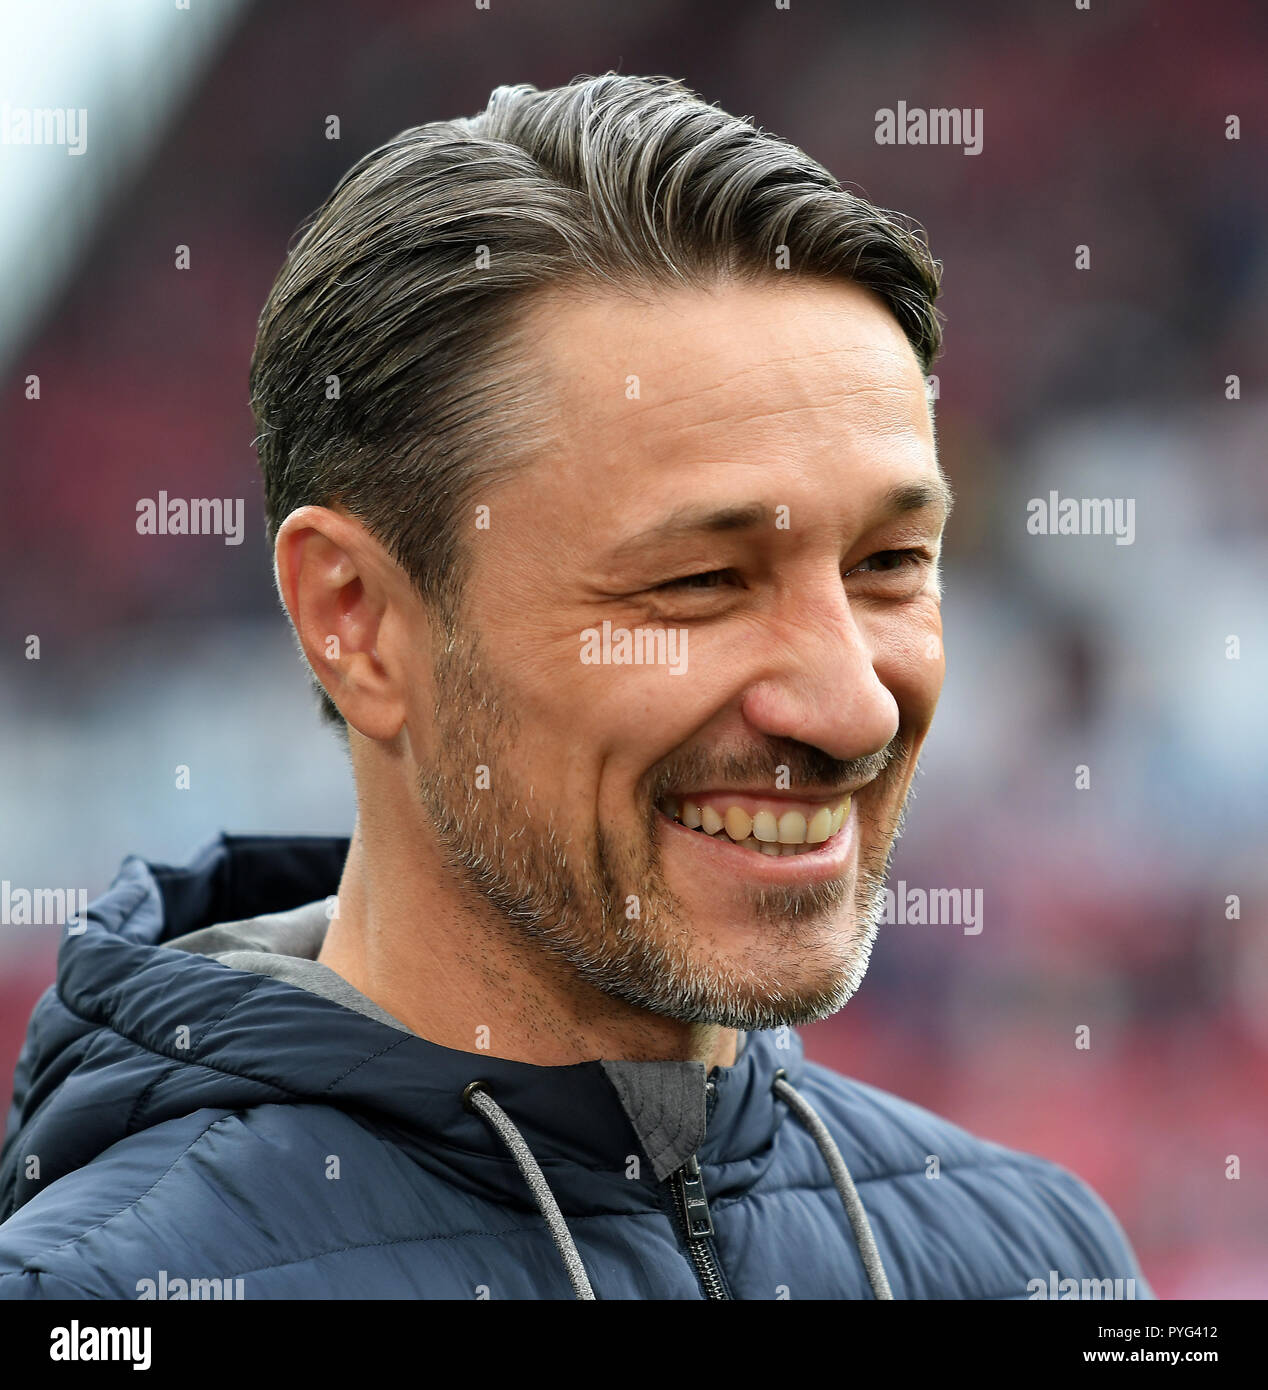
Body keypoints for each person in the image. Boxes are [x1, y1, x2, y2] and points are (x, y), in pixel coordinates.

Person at [0, 73, 1150, 1300]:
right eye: (701, 580)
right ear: (358, 620)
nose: (853, 708)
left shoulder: (1044, 1259)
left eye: (887, 565)